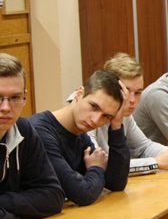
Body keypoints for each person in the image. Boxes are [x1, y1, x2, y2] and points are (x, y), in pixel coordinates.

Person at [29, 70, 129, 206]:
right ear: (79, 93)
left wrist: (116, 124)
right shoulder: (39, 132)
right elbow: (83, 193)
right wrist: (96, 167)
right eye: (94, 107)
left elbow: (116, 183)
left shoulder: (80, 135)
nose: (95, 120)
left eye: (106, 116)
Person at [93, 53, 168, 173]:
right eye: (126, 91)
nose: (132, 100)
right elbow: (105, 165)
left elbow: (143, 147)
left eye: (138, 93)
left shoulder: (125, 114)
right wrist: (156, 163)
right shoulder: (91, 116)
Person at [0, 53, 64, 219]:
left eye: (15, 98)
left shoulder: (23, 129)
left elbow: (53, 197)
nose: (6, 108)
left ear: (25, 97)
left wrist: (5, 205)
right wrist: (22, 210)